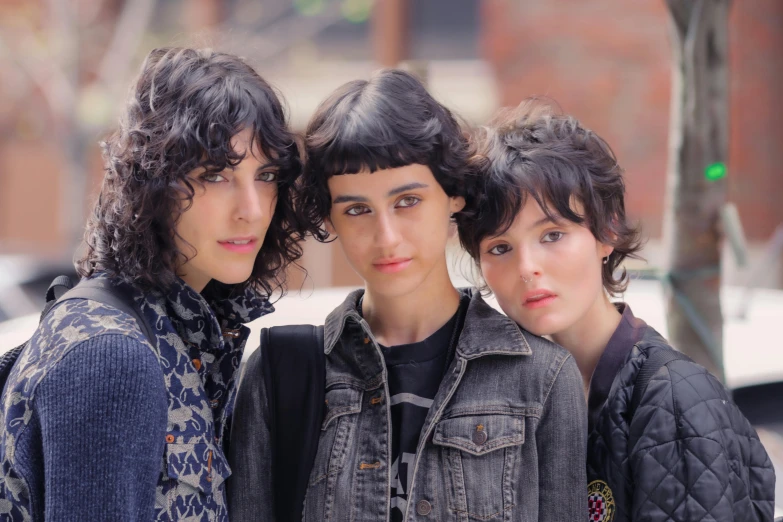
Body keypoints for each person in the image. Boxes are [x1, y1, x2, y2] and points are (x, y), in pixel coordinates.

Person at [229, 70, 587, 522]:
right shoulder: (279, 373)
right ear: (330, 220)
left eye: (407, 201)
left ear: (453, 195)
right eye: (357, 209)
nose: (386, 236)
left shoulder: (541, 377)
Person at [0, 47, 303, 521]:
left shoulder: (175, 334)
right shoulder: (111, 354)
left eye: (265, 176)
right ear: (154, 183)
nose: (254, 208)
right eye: (216, 175)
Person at [459, 99, 776, 522]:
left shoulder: (673, 399)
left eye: (552, 234)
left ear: (606, 233)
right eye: (500, 248)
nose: (527, 267)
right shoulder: (511, 393)